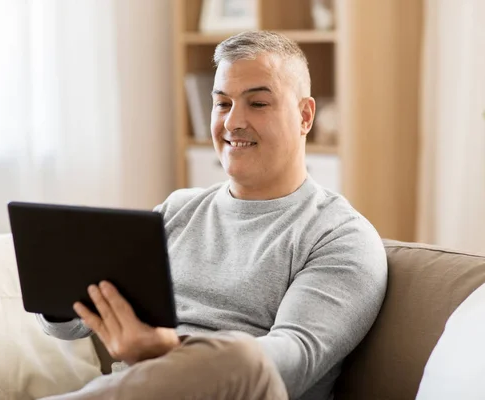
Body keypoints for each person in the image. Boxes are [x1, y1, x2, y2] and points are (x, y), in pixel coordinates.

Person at [37, 31, 387, 400]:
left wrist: (168, 350)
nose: (233, 122)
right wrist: (58, 289)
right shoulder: (177, 211)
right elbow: (70, 328)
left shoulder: (340, 237)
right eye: (222, 104)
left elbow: (289, 363)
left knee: (244, 357)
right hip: (135, 389)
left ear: (304, 116)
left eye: (258, 103)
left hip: (237, 388)